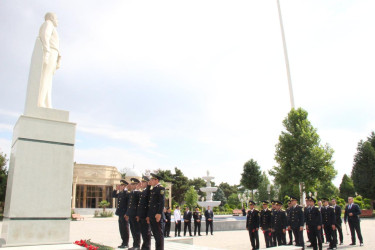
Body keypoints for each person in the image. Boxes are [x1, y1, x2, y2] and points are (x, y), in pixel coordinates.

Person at [38, 12, 61, 108]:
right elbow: (45, 36)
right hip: (50, 51)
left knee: (48, 80)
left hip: (53, 53)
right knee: (45, 78)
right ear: (52, 18)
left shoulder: (51, 26)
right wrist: (47, 52)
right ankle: (40, 102)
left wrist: (58, 59)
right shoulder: (48, 23)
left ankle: (47, 104)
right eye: (57, 18)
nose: (57, 21)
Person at [147, 173, 165, 250]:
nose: (150, 181)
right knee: (155, 234)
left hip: (157, 215)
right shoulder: (153, 189)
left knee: (159, 235)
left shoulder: (160, 188)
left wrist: (159, 213)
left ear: (156, 180)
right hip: (152, 215)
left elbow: (162, 202)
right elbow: (150, 203)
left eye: (152, 179)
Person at [112, 180, 130, 249]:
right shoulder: (121, 193)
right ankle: (123, 242)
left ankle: (126, 243)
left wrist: (127, 213)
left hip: (124, 214)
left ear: (125, 186)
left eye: (122, 185)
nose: (121, 187)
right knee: (121, 229)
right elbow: (113, 195)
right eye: (121, 185)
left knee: (125, 229)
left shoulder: (127, 193)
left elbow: (128, 205)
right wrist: (116, 190)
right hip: (120, 213)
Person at [136, 176, 151, 250]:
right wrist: (138, 215)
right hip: (141, 215)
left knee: (146, 233)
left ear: (147, 183)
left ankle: (147, 247)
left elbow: (149, 205)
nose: (141, 183)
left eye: (143, 182)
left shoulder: (148, 191)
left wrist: (148, 216)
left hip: (145, 215)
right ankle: (144, 246)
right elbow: (140, 205)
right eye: (141, 182)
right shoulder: (142, 192)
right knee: (143, 232)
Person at [126, 178, 141, 250]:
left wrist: (138, 215)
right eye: (131, 184)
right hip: (131, 214)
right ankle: (134, 245)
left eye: (133, 184)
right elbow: (129, 205)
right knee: (132, 230)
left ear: (137, 185)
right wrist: (127, 213)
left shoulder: (138, 193)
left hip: (135, 215)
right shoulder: (131, 193)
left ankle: (137, 245)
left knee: (136, 231)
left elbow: (139, 205)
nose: (132, 185)